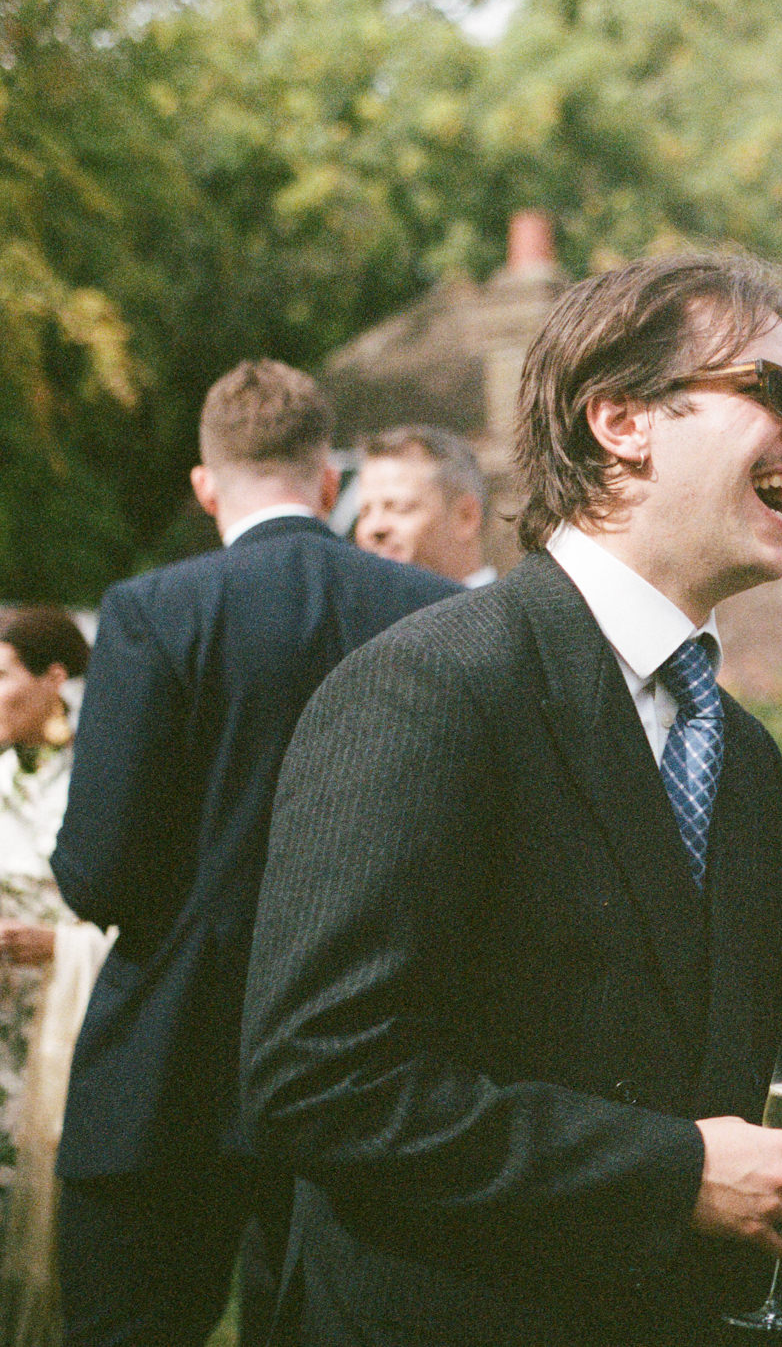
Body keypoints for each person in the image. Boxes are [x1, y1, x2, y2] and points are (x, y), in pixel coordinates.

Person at [243, 250, 782, 1345]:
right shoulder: (432, 685)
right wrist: (669, 1172)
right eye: (769, 391)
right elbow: (318, 1082)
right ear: (621, 420)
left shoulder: (740, 753)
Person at [49, 362, 458, 1347]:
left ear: (204, 485)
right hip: (367, 1060)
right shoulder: (430, 609)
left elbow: (98, 870)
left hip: (167, 1066)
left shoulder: (155, 612)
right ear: (329, 482)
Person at [0, 607, 107, 1347]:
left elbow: (132, 912)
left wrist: (63, 946)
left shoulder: (101, 780)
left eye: (1, 675)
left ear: (54, 680)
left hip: (62, 1032)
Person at [353, 424, 499, 586]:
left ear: (466, 517)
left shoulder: (508, 610)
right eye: (364, 512)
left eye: (399, 508)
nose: (374, 528)